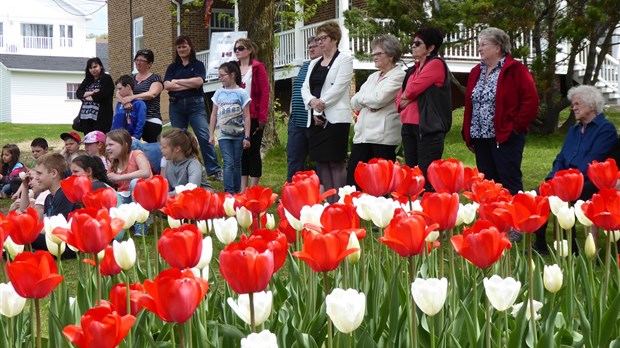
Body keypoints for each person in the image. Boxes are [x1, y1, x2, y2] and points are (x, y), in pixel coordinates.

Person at [531, 85, 618, 253]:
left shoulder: (605, 129)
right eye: (573, 103)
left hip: (590, 181)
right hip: (565, 180)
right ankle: (540, 243)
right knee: (537, 195)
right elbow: (561, 158)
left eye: (578, 103)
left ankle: (570, 246)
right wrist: (553, 178)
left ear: (592, 106)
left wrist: (568, 182)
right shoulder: (573, 130)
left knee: (563, 198)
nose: (573, 107)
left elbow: (593, 161)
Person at [462, 27, 539, 195]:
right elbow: (470, 104)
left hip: (505, 136)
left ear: (498, 47)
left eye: (483, 44)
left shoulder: (516, 70)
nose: (479, 49)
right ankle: (491, 218)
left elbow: (531, 101)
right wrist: (468, 133)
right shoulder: (476, 71)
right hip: (480, 137)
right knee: (488, 184)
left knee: (508, 180)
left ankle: (515, 217)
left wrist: (515, 128)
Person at [301, 21, 354, 201]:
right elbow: (304, 88)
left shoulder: (344, 60)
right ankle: (329, 203)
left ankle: (340, 202)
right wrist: (313, 103)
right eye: (318, 39)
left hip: (335, 119)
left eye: (324, 38)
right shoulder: (313, 63)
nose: (320, 42)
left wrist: (320, 105)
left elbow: (339, 87)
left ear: (334, 39)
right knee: (322, 161)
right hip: (315, 119)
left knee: (335, 162)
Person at [395, 27, 452, 188]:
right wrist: (407, 97)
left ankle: (430, 208)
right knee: (412, 173)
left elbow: (411, 90)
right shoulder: (413, 69)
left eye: (418, 43)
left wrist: (409, 96)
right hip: (409, 126)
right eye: (412, 43)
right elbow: (399, 99)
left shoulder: (436, 64)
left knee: (426, 174)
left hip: (427, 127)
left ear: (431, 47)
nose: (413, 46)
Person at [348, 35, 406, 187]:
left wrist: (365, 99)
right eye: (373, 53)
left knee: (382, 184)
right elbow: (354, 102)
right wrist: (368, 101)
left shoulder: (399, 76)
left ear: (391, 55)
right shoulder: (372, 77)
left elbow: (379, 99)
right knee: (354, 181)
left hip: (383, 138)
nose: (374, 56)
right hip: (362, 137)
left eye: (378, 53)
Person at [164, 35, 222, 182]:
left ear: (190, 47)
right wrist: (186, 83)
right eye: (179, 47)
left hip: (195, 104)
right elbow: (167, 85)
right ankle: (181, 168)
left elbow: (198, 82)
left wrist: (177, 81)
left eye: (184, 46)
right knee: (177, 138)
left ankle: (214, 170)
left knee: (203, 135)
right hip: (176, 104)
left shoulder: (197, 65)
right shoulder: (173, 67)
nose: (182, 49)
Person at [209, 62, 252, 194]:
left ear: (232, 75)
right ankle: (229, 191)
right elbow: (214, 114)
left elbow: (247, 116)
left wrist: (247, 136)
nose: (220, 78)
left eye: (222, 75)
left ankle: (237, 189)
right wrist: (211, 134)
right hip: (223, 135)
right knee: (228, 162)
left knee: (237, 162)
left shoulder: (241, 93)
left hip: (238, 134)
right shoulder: (218, 93)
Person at [234, 38, 270, 191]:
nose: (237, 51)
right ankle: (243, 188)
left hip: (253, 114)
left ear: (249, 50)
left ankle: (254, 187)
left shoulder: (257, 67)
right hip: (237, 115)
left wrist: (262, 116)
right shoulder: (233, 68)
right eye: (235, 48)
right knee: (242, 152)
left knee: (253, 150)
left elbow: (264, 92)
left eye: (240, 48)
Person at [27, 153, 79, 258]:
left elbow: (57, 229)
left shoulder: (65, 194)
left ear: (54, 173)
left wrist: (29, 232)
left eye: (39, 174)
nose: (36, 178)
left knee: (27, 237)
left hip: (66, 245)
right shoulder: (48, 198)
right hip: (54, 241)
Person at [287, 36, 322, 182]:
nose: (311, 49)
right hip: (296, 120)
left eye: (315, 46)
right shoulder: (305, 66)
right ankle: (292, 188)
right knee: (294, 157)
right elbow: (297, 89)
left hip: (314, 120)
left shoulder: (324, 66)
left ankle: (319, 190)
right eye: (309, 47)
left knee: (319, 158)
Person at [106, 129, 152, 236]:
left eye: (111, 144)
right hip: (125, 196)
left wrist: (119, 177)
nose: (107, 148)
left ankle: (141, 224)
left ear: (125, 145)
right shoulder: (114, 163)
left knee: (135, 182)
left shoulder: (136, 154)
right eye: (106, 145)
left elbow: (145, 172)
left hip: (143, 195)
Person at [118, 49, 164, 143]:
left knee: (152, 148)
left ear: (150, 64)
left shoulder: (155, 78)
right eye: (137, 60)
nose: (138, 63)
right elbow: (119, 91)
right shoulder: (131, 78)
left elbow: (152, 93)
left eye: (142, 61)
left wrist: (131, 98)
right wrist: (124, 101)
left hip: (150, 118)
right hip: (133, 118)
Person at [160, 128, 211, 194]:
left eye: (164, 147)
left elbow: (193, 188)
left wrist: (167, 196)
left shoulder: (193, 164)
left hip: (200, 197)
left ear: (177, 149)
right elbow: (165, 187)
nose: (161, 150)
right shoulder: (168, 163)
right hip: (179, 198)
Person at [76, 57, 114, 134]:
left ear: (101, 66)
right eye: (90, 68)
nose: (93, 70)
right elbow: (78, 93)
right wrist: (92, 92)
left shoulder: (106, 78)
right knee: (88, 140)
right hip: (86, 116)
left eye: (95, 67)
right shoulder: (87, 80)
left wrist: (86, 97)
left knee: (99, 141)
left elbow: (102, 95)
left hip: (100, 117)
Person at [111, 75, 147, 140]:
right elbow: (115, 121)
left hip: (130, 139)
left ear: (128, 87)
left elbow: (141, 122)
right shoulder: (119, 104)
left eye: (120, 89)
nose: (118, 92)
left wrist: (136, 137)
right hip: (116, 138)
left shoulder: (139, 104)